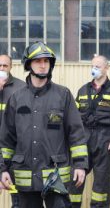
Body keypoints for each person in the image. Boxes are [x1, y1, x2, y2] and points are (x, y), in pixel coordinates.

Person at [0, 42, 88, 208]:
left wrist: (80, 165)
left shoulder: (63, 95)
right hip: (25, 176)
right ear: (29, 64)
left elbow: (76, 133)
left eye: (46, 61)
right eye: (38, 61)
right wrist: (2, 169)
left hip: (55, 177)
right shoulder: (16, 98)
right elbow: (6, 140)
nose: (43, 65)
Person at [69, 55, 110, 208]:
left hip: (105, 139)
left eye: (98, 66)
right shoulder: (82, 90)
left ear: (106, 68)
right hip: (83, 139)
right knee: (74, 178)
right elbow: (74, 118)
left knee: (101, 183)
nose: (94, 69)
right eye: (93, 66)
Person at [0, 54, 26, 208]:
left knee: (16, 195)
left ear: (11, 67)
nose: (2, 68)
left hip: (12, 148)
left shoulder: (20, 87)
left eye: (5, 66)